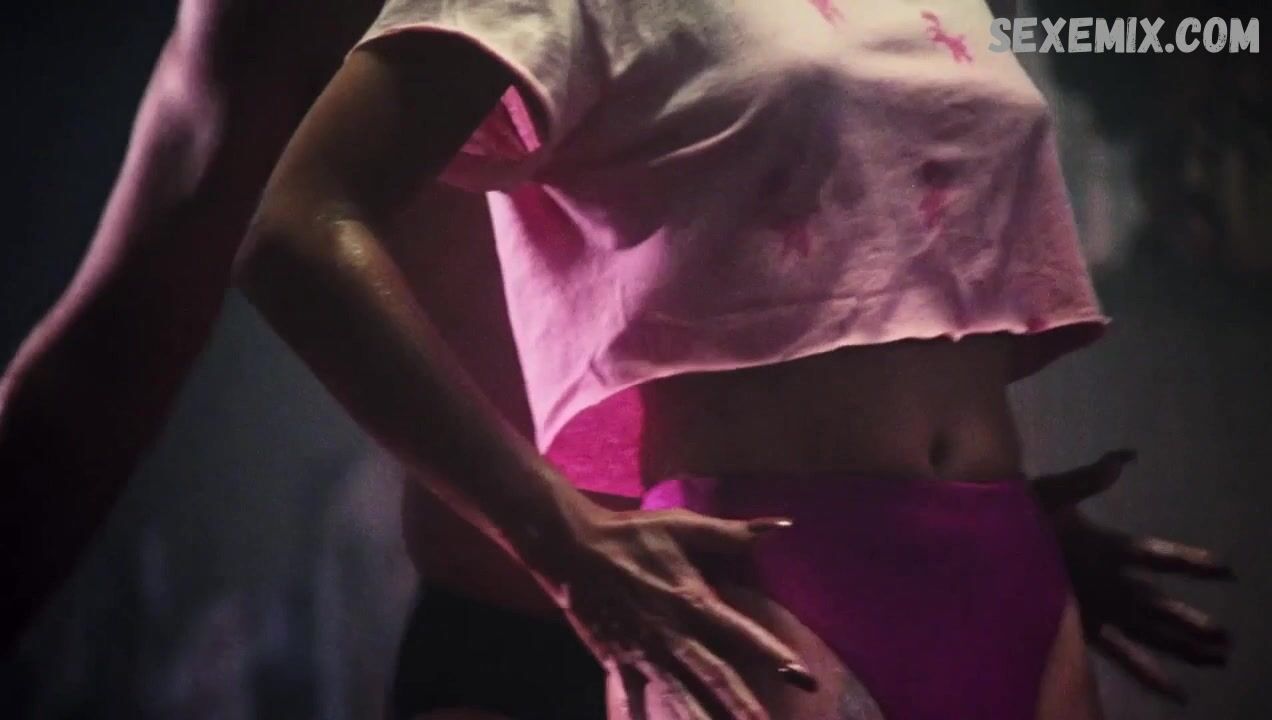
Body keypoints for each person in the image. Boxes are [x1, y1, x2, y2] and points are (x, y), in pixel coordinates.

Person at [0, 0, 1231, 717]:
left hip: (854, 555)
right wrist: (554, 535)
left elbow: (863, 259)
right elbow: (95, 381)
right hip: (539, 608)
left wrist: (952, 513)